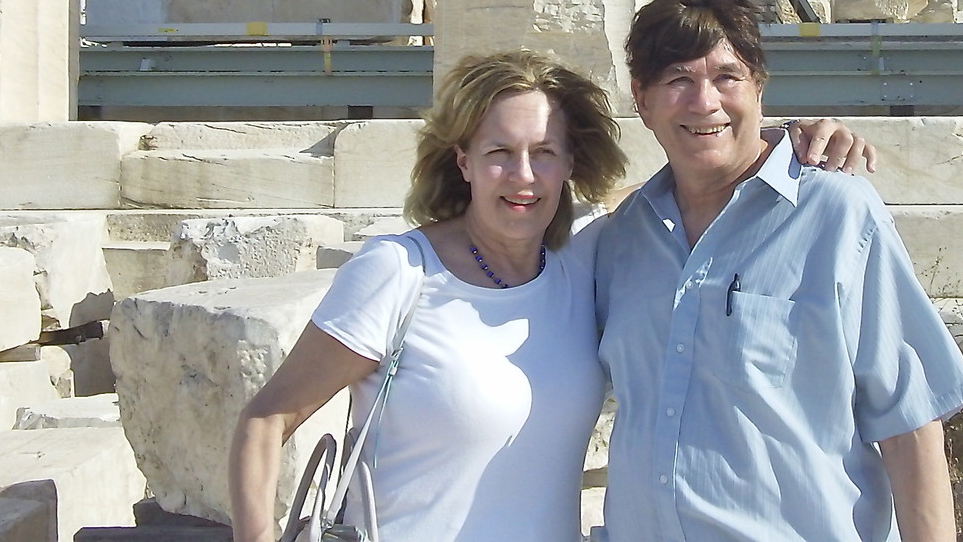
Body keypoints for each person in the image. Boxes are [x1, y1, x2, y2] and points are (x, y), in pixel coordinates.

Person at [229, 49, 874, 542]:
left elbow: (703, 180)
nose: (523, 176)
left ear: (571, 164)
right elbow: (267, 420)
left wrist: (789, 137)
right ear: (462, 161)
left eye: (545, 152)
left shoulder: (589, 258)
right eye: (498, 153)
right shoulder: (397, 271)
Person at [595, 0, 963, 542]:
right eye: (679, 79)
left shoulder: (836, 211)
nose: (705, 102)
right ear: (642, 99)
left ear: (758, 88)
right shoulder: (623, 237)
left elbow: (911, 422)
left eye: (727, 77)